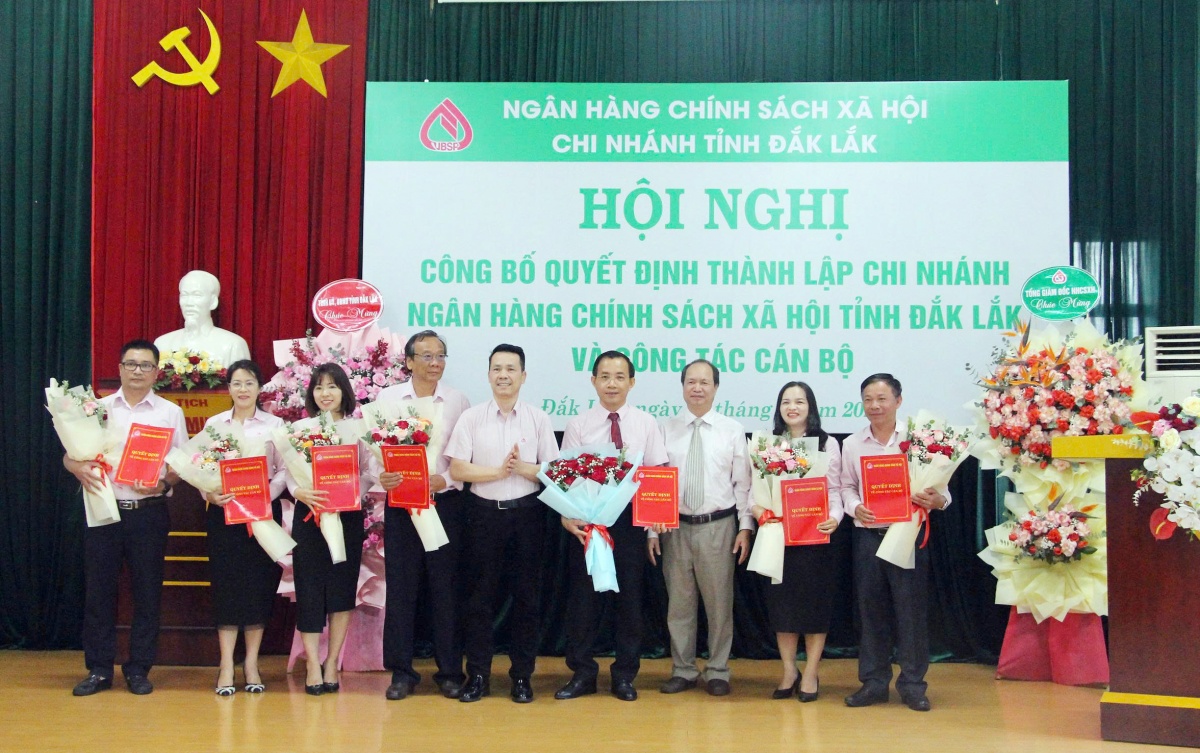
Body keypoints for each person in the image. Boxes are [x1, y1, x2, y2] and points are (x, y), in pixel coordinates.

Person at [64, 339, 188, 696]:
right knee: (99, 594)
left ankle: (138, 668)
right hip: (103, 512)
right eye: (131, 364)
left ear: (156, 372)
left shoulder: (169, 413)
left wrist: (163, 483)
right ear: (119, 368)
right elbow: (70, 454)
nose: (137, 371)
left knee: (147, 594)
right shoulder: (97, 409)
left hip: (148, 514)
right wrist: (74, 467)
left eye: (145, 365)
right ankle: (99, 669)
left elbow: (182, 463)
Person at [446, 344, 559, 703]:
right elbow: (457, 469)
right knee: (479, 599)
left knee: (527, 599)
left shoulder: (538, 419)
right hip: (482, 516)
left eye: (511, 369)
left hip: (528, 516)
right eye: (497, 369)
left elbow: (555, 471)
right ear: (488, 375)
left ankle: (522, 676)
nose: (503, 375)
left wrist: (523, 468)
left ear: (523, 376)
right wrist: (497, 472)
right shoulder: (472, 418)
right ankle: (478, 674)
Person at [554, 351, 669, 703]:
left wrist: (652, 531)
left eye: (620, 377)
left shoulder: (646, 423)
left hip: (630, 523)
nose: (612, 384)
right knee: (583, 602)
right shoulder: (579, 424)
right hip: (588, 523)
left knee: (629, 602)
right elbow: (565, 476)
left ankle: (624, 676)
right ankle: (582, 673)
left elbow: (656, 476)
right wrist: (566, 515)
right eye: (604, 376)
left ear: (631, 382)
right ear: (593, 381)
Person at [840, 373, 949, 712]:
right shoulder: (852, 443)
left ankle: (913, 685)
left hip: (908, 535)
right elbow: (846, 487)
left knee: (910, 613)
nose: (874, 405)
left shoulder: (920, 440)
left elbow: (942, 491)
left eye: (882, 399)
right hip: (868, 537)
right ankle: (874, 683)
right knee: (870, 613)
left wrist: (937, 501)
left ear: (898, 401)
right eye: (868, 399)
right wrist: (855, 507)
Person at [374, 330, 471, 701]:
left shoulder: (458, 400)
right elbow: (375, 454)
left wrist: (444, 479)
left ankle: (450, 671)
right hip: (401, 504)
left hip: (444, 504)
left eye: (441, 356)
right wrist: (381, 477)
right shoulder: (387, 399)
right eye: (427, 356)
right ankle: (402, 672)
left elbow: (466, 456)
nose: (435, 363)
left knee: (446, 589)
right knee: (402, 588)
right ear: (409, 361)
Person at [649, 359, 752, 697]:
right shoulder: (664, 429)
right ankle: (683, 669)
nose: (697, 388)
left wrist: (745, 527)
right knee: (679, 605)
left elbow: (742, 484)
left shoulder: (732, 430)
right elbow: (655, 482)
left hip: (718, 526)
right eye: (691, 382)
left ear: (716, 388)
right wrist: (652, 530)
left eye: (704, 382)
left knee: (719, 604)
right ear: (682, 387)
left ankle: (718, 670)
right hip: (674, 527)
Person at [750, 382, 842, 701]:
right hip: (778, 536)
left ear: (810, 407)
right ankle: (789, 671)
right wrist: (759, 510)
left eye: (799, 401)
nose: (792, 407)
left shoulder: (827, 443)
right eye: (786, 401)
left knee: (815, 608)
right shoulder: (768, 444)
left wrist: (836, 517)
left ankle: (811, 673)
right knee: (782, 608)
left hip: (814, 537)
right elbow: (754, 491)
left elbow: (835, 490)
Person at [200, 360, 286, 696]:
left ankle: (251, 663)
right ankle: (226, 664)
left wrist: (267, 496)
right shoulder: (214, 425)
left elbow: (284, 470)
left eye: (249, 382)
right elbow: (201, 467)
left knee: (257, 586)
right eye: (236, 383)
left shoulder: (275, 424)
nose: (243, 389)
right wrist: (209, 492)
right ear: (229, 388)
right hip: (224, 514)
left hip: (262, 513)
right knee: (226, 586)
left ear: (260, 388)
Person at [287, 363, 367, 696]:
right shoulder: (299, 429)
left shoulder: (358, 429)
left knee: (341, 589)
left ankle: (332, 661)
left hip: (347, 516)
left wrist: (351, 491)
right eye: (319, 387)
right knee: (308, 589)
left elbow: (368, 471)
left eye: (332, 386)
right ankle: (312, 664)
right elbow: (288, 474)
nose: (325, 393)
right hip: (310, 516)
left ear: (344, 391)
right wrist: (300, 491)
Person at [154, 270, 251, 367]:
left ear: (213, 301)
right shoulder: (162, 344)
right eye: (184, 295)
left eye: (197, 295)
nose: (189, 303)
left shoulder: (233, 345)